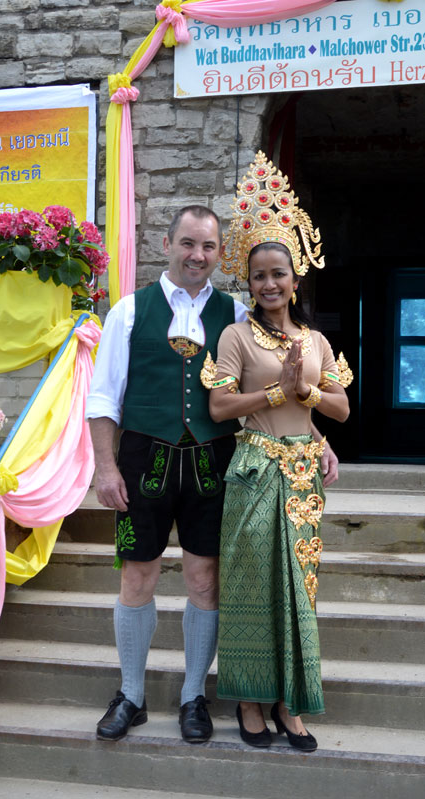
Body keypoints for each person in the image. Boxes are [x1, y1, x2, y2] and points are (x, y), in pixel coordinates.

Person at [85, 203, 339, 745]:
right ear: (166, 244)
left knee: (204, 580)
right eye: (187, 243)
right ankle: (131, 694)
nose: (197, 255)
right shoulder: (128, 312)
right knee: (138, 577)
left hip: (215, 463)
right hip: (143, 461)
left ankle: (192, 696)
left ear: (219, 253)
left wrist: (317, 438)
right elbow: (103, 397)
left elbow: (270, 390)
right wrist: (103, 467)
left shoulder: (238, 316)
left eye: (207, 247)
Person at [208, 152, 351, 751]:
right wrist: (275, 388)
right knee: (248, 585)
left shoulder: (315, 339)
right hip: (253, 467)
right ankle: (248, 701)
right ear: (249, 280)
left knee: (299, 588)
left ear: (297, 281)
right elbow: (219, 408)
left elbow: (340, 409)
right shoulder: (236, 336)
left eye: (280, 275)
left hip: (302, 477)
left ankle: (292, 704)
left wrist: (308, 393)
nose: (271, 284)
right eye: (260, 275)